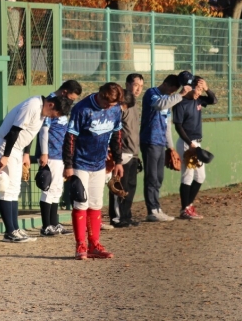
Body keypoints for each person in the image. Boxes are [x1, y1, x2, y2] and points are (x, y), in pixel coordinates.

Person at [0, 94, 72, 242]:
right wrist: (5, 156)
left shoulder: (42, 111)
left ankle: (15, 229)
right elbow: (15, 130)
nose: (54, 117)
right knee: (6, 189)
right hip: (6, 146)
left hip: (17, 149)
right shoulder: (33, 105)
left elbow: (29, 133)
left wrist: (26, 154)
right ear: (51, 105)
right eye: (55, 114)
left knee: (15, 190)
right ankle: (10, 232)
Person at [63, 83, 124, 260]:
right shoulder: (82, 109)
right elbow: (70, 137)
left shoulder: (115, 109)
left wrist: (118, 161)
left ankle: (94, 244)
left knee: (96, 204)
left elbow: (117, 135)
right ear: (101, 95)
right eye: (108, 103)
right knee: (81, 203)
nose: (110, 107)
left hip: (100, 163)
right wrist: (68, 165)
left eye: (113, 104)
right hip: (80, 163)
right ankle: (80, 245)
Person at [140, 73, 191, 222]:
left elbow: (167, 124)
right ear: (165, 84)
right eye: (171, 90)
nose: (172, 93)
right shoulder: (152, 93)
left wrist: (171, 147)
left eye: (175, 91)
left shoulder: (168, 99)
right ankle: (152, 210)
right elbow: (160, 105)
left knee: (159, 177)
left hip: (161, 142)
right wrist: (181, 94)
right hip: (150, 140)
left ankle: (157, 208)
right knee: (151, 177)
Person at [34, 80, 83, 236]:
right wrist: (44, 153)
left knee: (57, 189)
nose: (71, 101)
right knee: (49, 189)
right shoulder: (51, 103)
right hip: (51, 153)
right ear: (64, 92)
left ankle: (54, 223)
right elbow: (44, 130)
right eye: (71, 98)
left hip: (61, 153)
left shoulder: (63, 105)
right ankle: (46, 226)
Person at [173, 76, 217, 219]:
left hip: (196, 143)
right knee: (188, 176)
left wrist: (207, 88)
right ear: (189, 88)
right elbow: (178, 126)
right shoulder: (180, 103)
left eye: (200, 90)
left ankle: (188, 206)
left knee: (200, 176)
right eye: (197, 89)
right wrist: (189, 143)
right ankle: (185, 209)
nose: (199, 92)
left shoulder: (198, 100)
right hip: (186, 143)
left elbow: (213, 100)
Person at [109, 73, 144, 228]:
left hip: (133, 153)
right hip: (122, 153)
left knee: (130, 187)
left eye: (141, 86)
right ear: (127, 85)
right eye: (136, 85)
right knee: (119, 187)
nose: (138, 89)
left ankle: (126, 216)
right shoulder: (120, 106)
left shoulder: (134, 105)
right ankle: (117, 217)